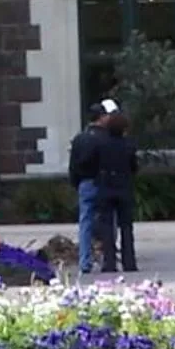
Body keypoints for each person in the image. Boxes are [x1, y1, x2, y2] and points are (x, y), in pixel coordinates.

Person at [93, 107, 139, 273]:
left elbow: (94, 164)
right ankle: (129, 261)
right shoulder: (129, 145)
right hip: (124, 187)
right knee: (126, 226)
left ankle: (109, 262)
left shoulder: (100, 144)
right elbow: (134, 167)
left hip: (105, 187)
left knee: (106, 227)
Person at [68, 102, 107, 274]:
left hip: (84, 183)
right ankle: (108, 258)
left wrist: (76, 182)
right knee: (107, 221)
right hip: (103, 182)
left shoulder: (79, 139)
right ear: (102, 117)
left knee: (85, 223)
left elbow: (73, 165)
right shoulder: (105, 139)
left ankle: (85, 261)